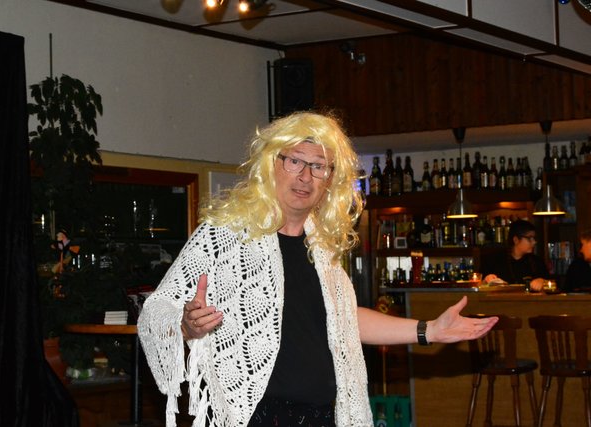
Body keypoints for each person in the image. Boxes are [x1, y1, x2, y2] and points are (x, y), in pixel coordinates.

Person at [137, 112, 498, 427]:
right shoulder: (224, 236)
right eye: (294, 161)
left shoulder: (322, 247)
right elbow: (158, 308)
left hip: (326, 414)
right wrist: (186, 324)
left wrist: (430, 330)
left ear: (331, 181)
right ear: (271, 164)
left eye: (319, 167)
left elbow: (345, 321)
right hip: (257, 417)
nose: (305, 177)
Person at [481, 219, 550, 291]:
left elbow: (551, 284)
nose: (534, 242)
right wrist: (486, 280)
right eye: (529, 238)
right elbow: (479, 285)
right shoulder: (493, 260)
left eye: (534, 238)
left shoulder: (537, 262)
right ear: (516, 240)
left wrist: (543, 281)